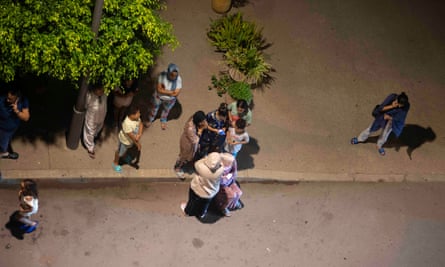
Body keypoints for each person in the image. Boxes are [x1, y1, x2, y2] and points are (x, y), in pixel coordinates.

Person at [180, 152, 224, 220]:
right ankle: (201, 213)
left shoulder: (201, 167)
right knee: (204, 204)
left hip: (197, 188)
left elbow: (197, 163)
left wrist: (205, 159)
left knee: (192, 201)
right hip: (210, 192)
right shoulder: (221, 169)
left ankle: (188, 212)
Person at [145, 63, 182, 130]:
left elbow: (176, 93)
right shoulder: (162, 76)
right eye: (172, 75)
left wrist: (164, 91)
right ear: (168, 72)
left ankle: (163, 120)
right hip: (159, 97)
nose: (174, 77)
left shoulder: (178, 80)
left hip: (170, 100)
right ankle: (150, 119)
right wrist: (170, 92)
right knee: (153, 109)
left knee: (166, 110)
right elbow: (159, 90)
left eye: (175, 75)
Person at [174, 111, 208, 180]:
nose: (204, 122)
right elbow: (195, 140)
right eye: (202, 121)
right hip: (187, 144)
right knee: (183, 157)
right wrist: (201, 130)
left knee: (192, 155)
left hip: (193, 143)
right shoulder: (190, 128)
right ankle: (178, 168)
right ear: (198, 122)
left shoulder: (194, 118)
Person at [0, 87, 30, 159]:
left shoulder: (23, 100)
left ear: (17, 98)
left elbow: (26, 118)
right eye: (7, 97)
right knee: (3, 143)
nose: (7, 100)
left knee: (7, 140)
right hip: (3, 130)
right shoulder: (1, 100)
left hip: (13, 128)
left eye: (10, 99)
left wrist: (16, 111)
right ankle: (4, 153)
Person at [113, 105, 143, 172]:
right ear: (132, 115)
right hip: (125, 141)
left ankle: (124, 157)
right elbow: (131, 136)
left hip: (130, 141)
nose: (139, 114)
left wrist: (139, 134)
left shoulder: (137, 119)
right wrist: (138, 144)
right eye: (138, 113)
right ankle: (115, 163)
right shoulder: (127, 124)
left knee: (126, 150)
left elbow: (141, 124)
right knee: (119, 152)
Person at [214, 153, 243, 217]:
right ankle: (223, 208)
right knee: (231, 195)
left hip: (230, 182)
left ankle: (233, 203)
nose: (231, 163)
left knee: (239, 193)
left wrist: (229, 176)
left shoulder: (232, 162)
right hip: (222, 186)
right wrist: (227, 176)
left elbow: (234, 172)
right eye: (229, 162)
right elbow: (220, 180)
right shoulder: (219, 167)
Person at [83, 85, 107, 159]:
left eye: (102, 90)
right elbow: (86, 106)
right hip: (91, 118)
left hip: (101, 116)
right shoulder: (89, 95)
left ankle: (95, 135)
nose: (101, 92)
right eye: (99, 91)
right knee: (89, 132)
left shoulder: (104, 94)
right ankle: (90, 147)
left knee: (98, 128)